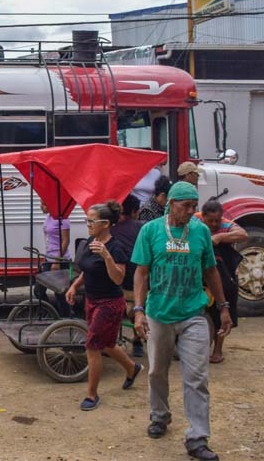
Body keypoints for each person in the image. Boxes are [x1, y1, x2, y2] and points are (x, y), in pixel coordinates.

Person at [132, 181, 233, 461]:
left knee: (197, 377)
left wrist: (223, 307)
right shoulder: (150, 230)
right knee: (156, 372)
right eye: (186, 206)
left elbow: (211, 271)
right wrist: (138, 310)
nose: (191, 211)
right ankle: (160, 416)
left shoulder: (199, 231)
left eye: (194, 206)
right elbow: (141, 273)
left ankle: (198, 438)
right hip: (159, 314)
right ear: (171, 203)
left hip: (193, 314)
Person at [65, 201, 143, 411]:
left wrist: (106, 255)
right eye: (87, 220)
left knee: (92, 346)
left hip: (109, 304)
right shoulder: (92, 240)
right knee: (107, 343)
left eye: (91, 221)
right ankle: (132, 367)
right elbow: (87, 269)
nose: (87, 224)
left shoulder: (115, 247)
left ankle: (92, 395)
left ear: (106, 223)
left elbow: (118, 278)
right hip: (92, 300)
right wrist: (74, 286)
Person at [194, 200, 247, 364]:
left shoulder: (225, 225)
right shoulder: (194, 221)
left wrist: (220, 237)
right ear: (203, 217)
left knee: (222, 311)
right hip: (198, 275)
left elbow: (244, 235)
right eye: (210, 221)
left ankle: (218, 350)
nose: (215, 224)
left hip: (224, 275)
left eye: (218, 220)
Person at [112, 194, 145, 357]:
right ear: (133, 212)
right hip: (137, 279)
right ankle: (137, 341)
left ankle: (115, 339)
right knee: (137, 309)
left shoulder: (109, 228)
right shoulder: (140, 227)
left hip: (115, 280)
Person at [35, 200, 71, 316]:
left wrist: (57, 261)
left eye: (44, 204)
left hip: (60, 260)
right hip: (49, 258)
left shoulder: (63, 220)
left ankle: (65, 318)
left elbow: (66, 241)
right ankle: (51, 312)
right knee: (38, 290)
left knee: (59, 293)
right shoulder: (49, 217)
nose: (41, 206)